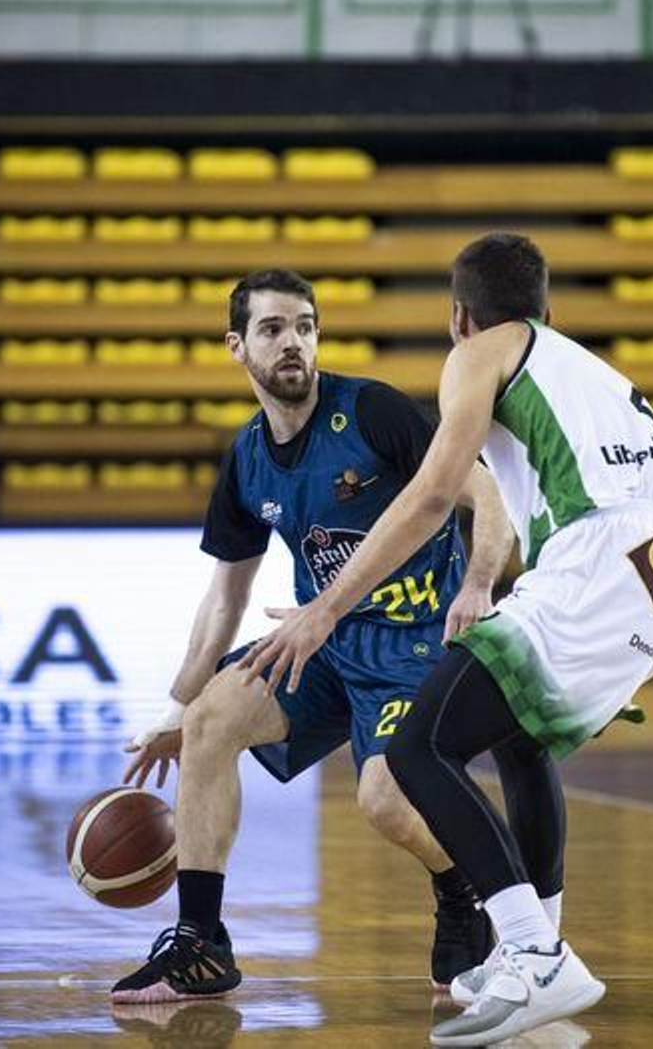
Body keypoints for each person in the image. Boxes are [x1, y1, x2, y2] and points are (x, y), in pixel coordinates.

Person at [245, 234, 653, 1046]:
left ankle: (535, 953)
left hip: (604, 561)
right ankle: (536, 947)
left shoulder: (477, 353)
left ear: (460, 316)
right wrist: (643, 618)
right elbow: (633, 509)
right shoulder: (593, 371)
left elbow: (433, 496)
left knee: (419, 748)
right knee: (519, 739)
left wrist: (325, 610)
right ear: (547, 309)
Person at [111, 268, 522, 1004]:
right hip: (323, 644)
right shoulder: (246, 458)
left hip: (413, 644)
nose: (293, 342)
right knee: (209, 719)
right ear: (237, 346)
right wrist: (176, 708)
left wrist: (479, 581)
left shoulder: (371, 412)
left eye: (304, 326)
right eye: (272, 329)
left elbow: (487, 492)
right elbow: (225, 597)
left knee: (384, 801)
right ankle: (200, 945)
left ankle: (461, 885)